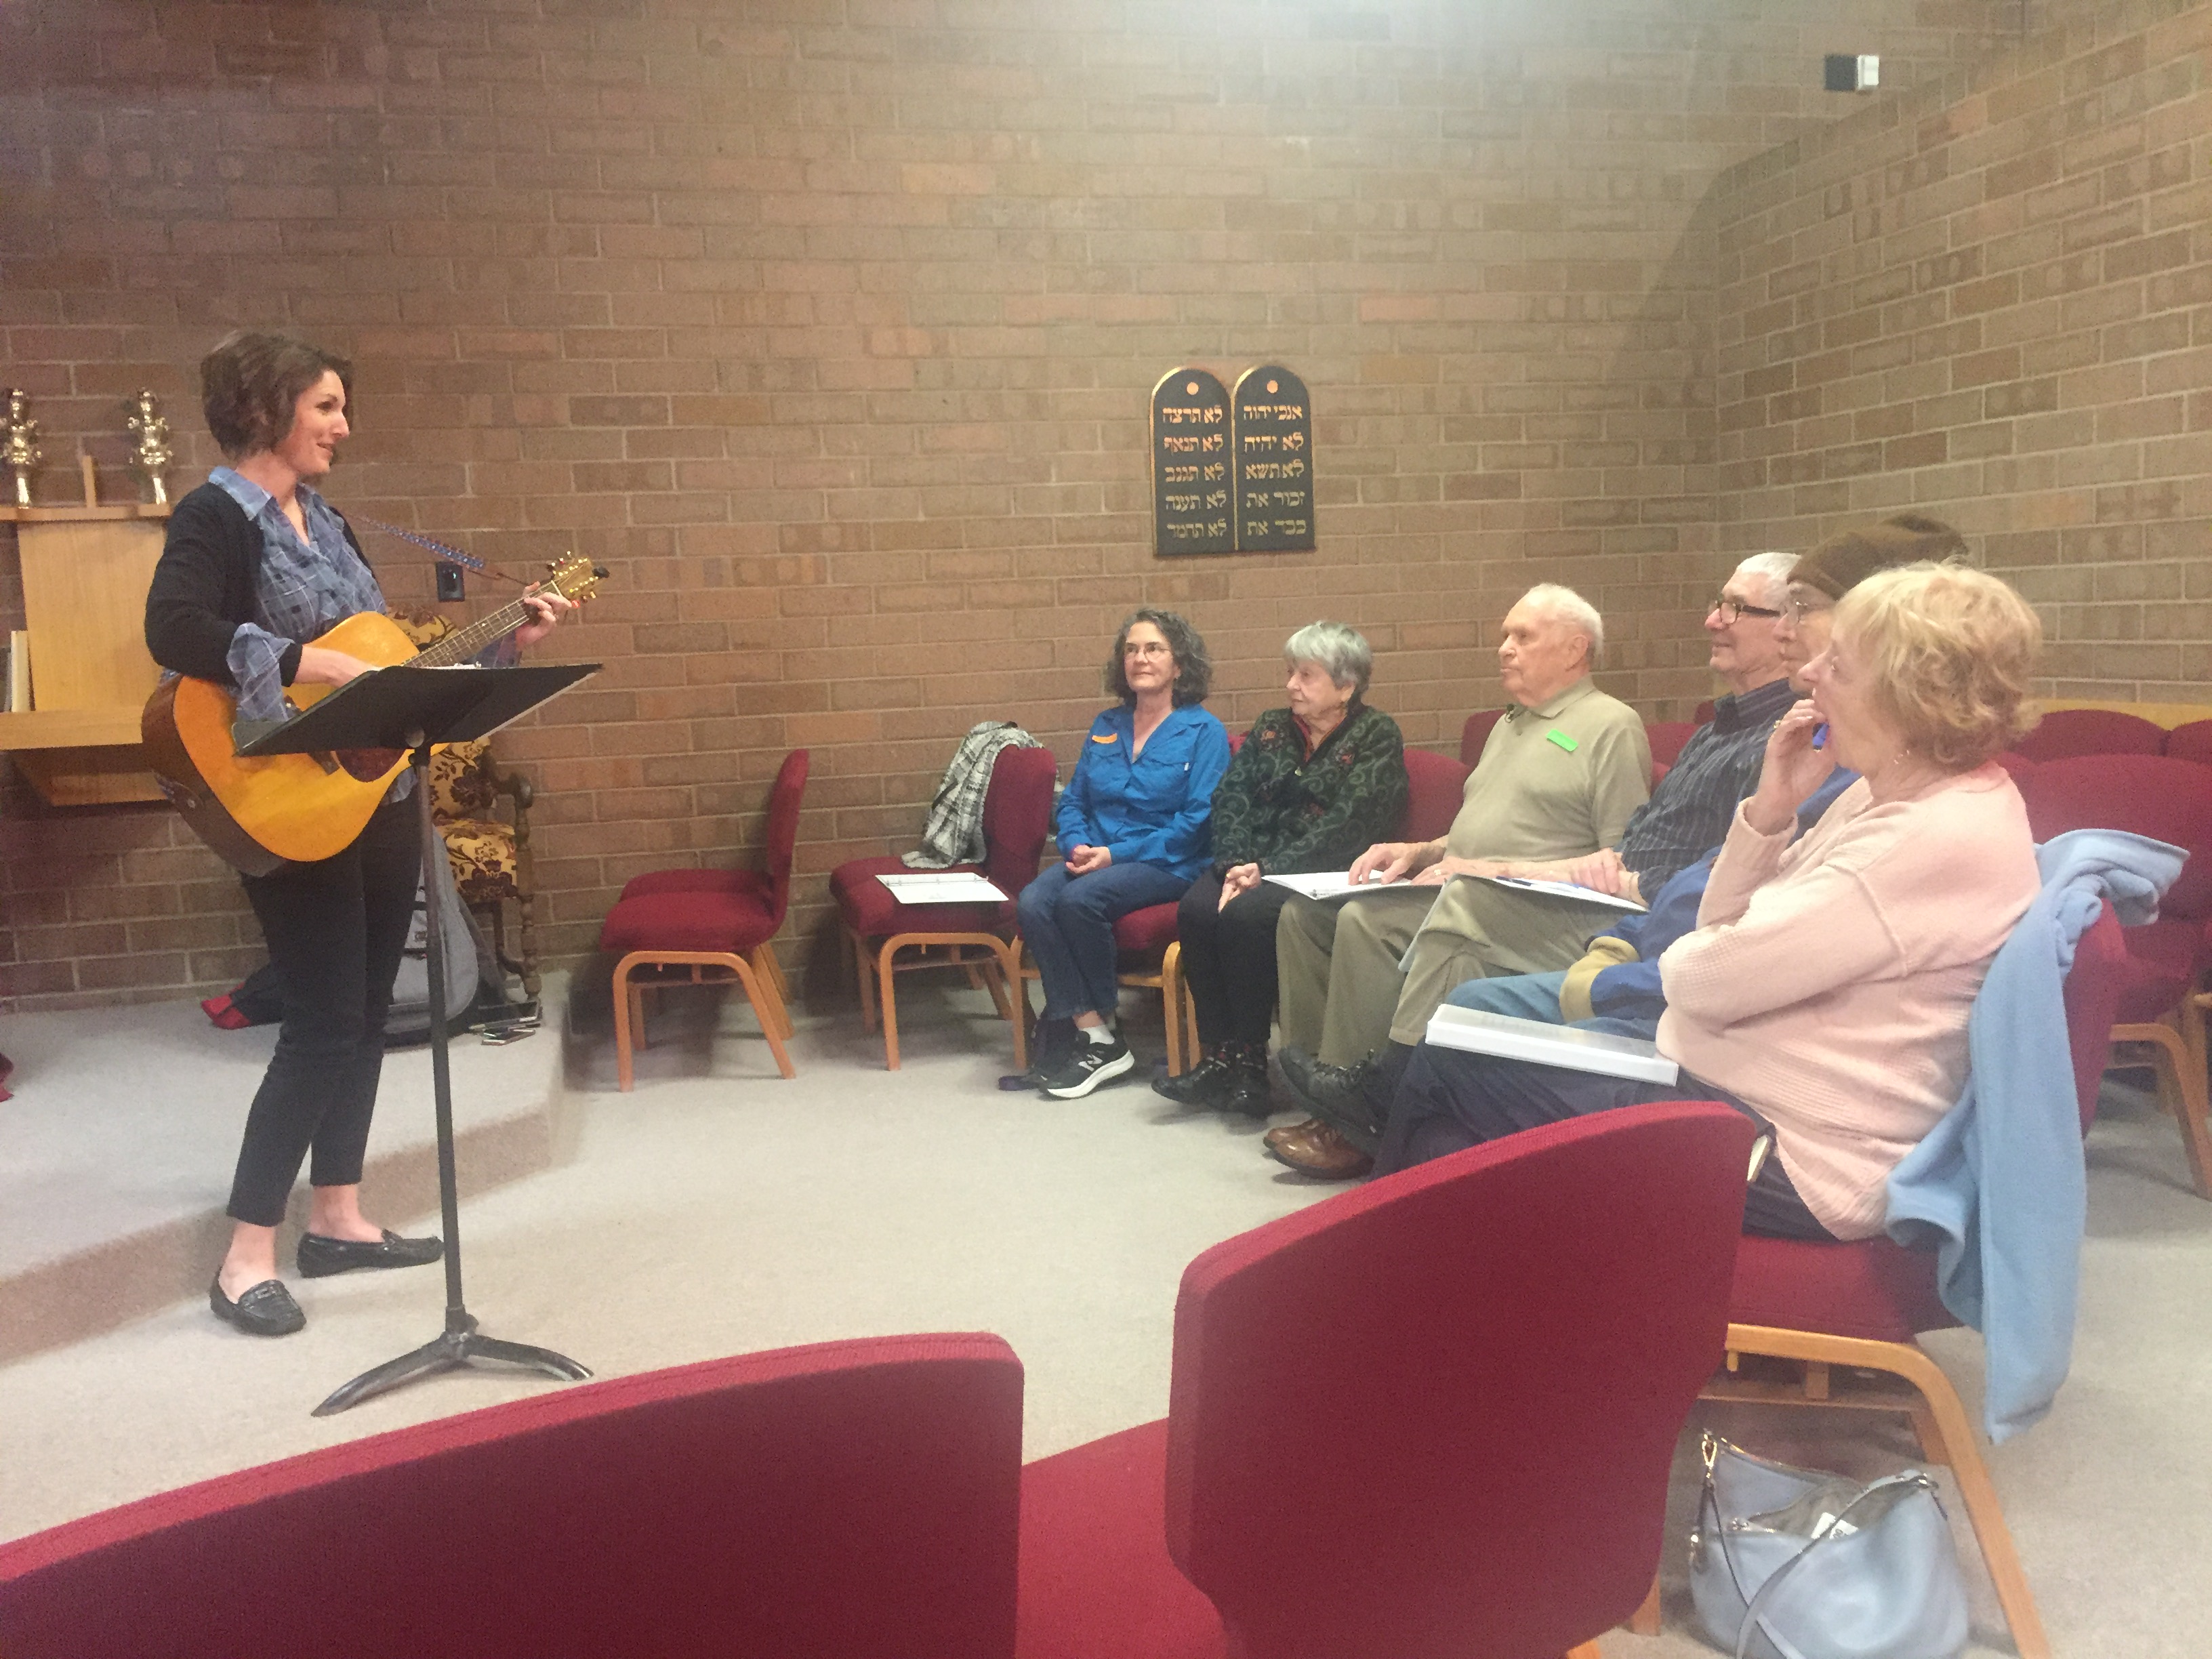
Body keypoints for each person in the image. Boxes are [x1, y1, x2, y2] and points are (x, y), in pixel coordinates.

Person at [1374, 561, 2043, 1242]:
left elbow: (1697, 977)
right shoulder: (1894, 791)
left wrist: (1705, 950)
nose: (1809, 675)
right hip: (1742, 1089)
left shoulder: (1920, 839)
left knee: (1451, 1061)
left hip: (1791, 1156)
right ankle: (1466, 1295)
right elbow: (1714, 934)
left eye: (1837, 665)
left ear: (1907, 691)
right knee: (1459, 1100)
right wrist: (1769, 815)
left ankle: (1398, 1282)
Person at [144, 331, 573, 1336]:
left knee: (374, 1009)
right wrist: (308, 664)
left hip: (373, 792)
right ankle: (246, 1255)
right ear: (268, 410)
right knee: (322, 1023)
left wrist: (509, 639)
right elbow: (173, 631)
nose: (343, 426)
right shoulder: (216, 515)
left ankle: (336, 1214)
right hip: (282, 795)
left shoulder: (326, 520)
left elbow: (385, 656)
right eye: (327, 407)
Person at [1268, 554, 1799, 1170]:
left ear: (1575, 651)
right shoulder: (1514, 726)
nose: (1504, 649)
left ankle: (1371, 1102)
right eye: (1504, 636)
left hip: (1572, 908)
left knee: (1384, 920)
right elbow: (1590, 838)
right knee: (1303, 917)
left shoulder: (1613, 727)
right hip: (1512, 888)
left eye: (1523, 637)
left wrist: (1490, 870)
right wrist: (1426, 850)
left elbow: (1618, 854)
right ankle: (1325, 1093)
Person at [1152, 623, 1408, 1118]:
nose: (1292, 685)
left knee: (1248, 918)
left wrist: (1265, 870)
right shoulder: (1272, 726)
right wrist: (1233, 864)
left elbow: (1350, 824)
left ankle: (1252, 1067)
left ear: (1346, 686)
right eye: (1291, 673)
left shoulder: (1377, 735)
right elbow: (1231, 796)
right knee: (1199, 910)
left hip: (1325, 873)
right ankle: (1221, 1056)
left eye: (1307, 676)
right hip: (1249, 864)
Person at [1017, 609, 1230, 1099]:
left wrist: (1115, 854)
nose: (1140, 658)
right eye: (1132, 650)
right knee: (1032, 901)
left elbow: (1196, 823)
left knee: (1078, 901)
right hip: (1097, 856)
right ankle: (1096, 1033)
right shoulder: (1106, 724)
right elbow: (1074, 800)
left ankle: (1090, 1030)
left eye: (1154, 649)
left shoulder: (1204, 732)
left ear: (1180, 665)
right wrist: (1076, 844)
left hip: (1168, 862)